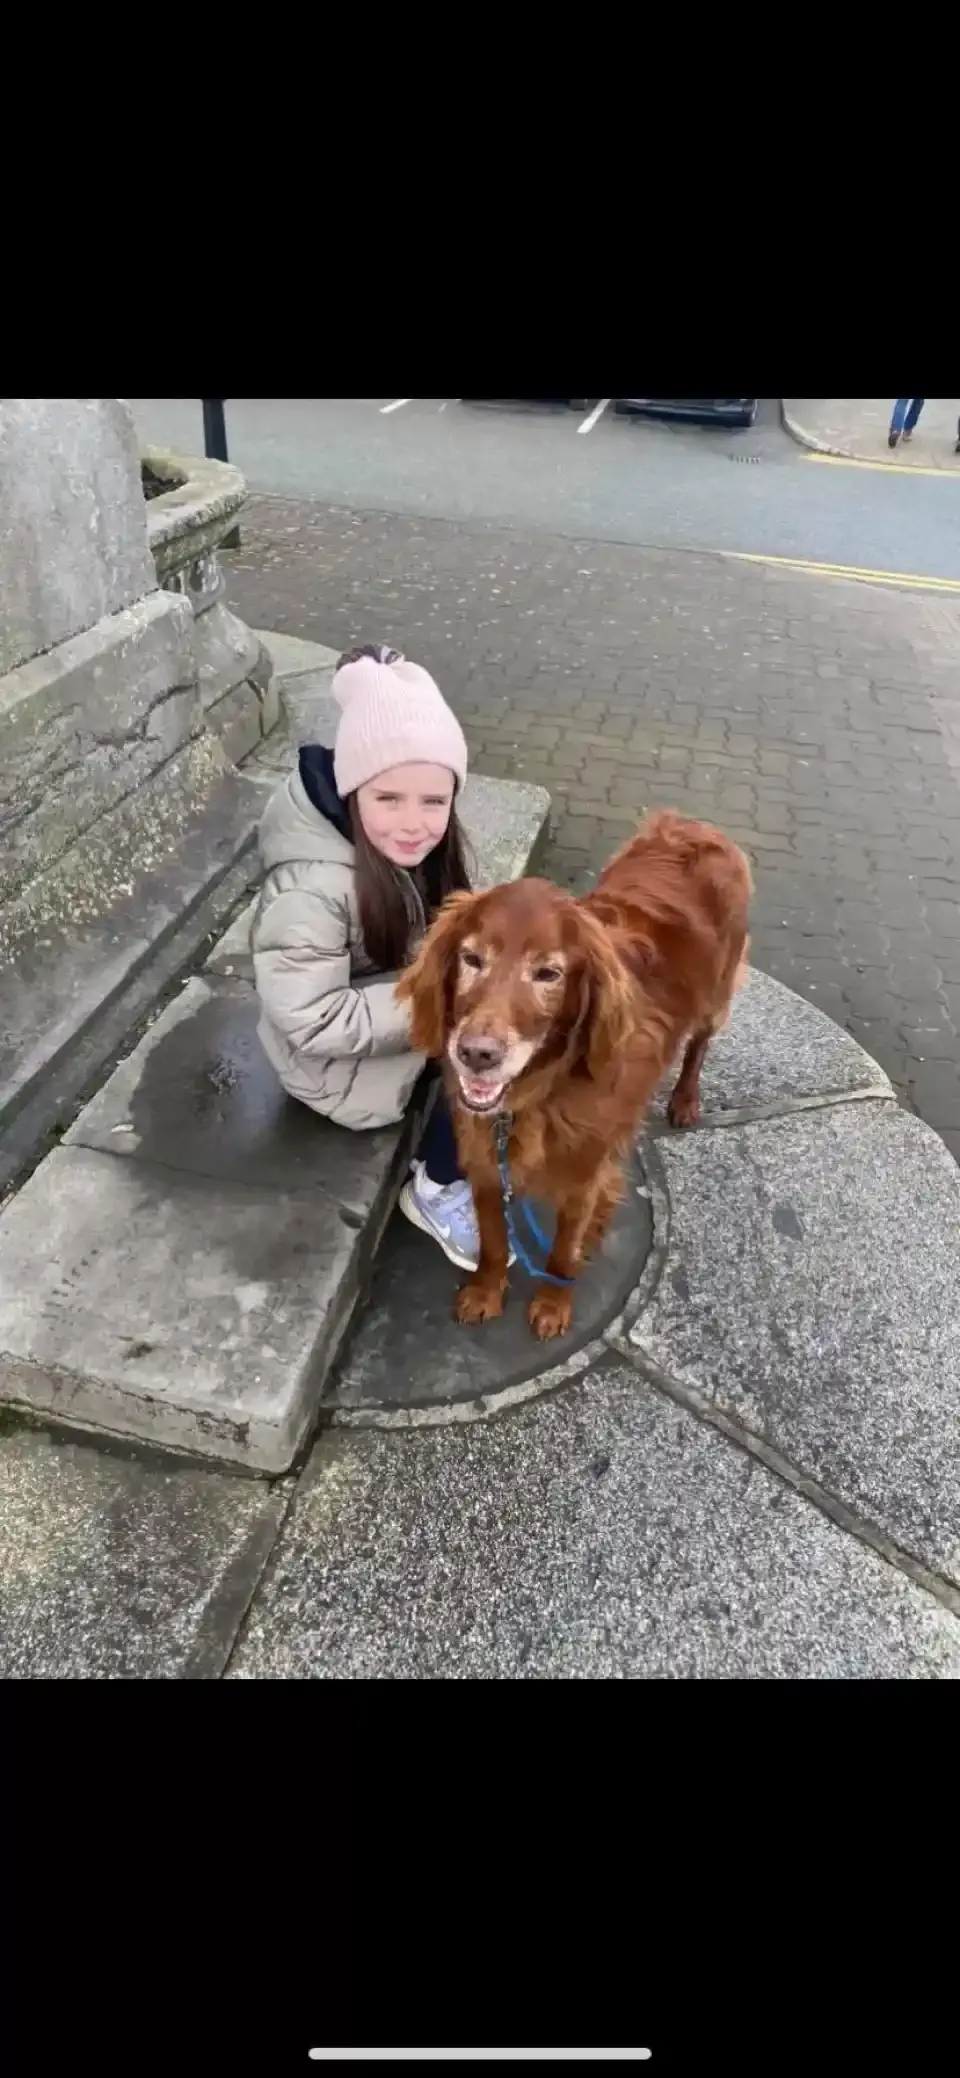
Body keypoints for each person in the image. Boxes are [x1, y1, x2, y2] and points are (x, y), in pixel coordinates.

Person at [252, 643, 496, 1272]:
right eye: (389, 799)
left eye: (434, 801)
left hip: (386, 1009)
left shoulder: (411, 853)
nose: (414, 823)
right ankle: (437, 1185)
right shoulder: (311, 891)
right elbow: (311, 1018)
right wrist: (438, 1004)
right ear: (352, 791)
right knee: (483, 1062)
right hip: (333, 1070)